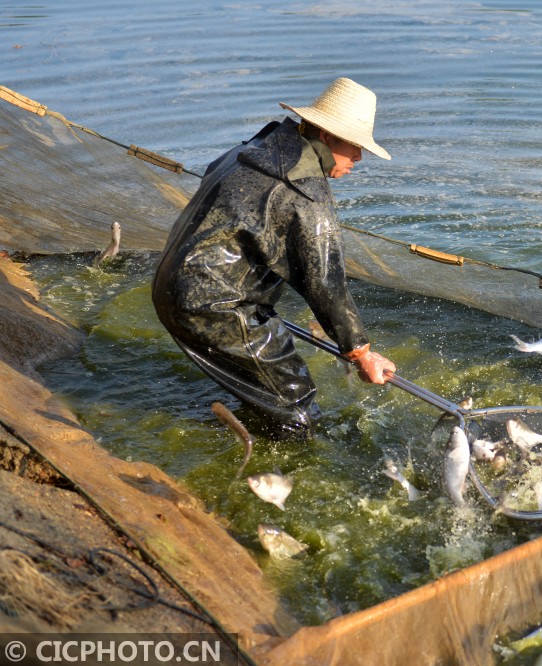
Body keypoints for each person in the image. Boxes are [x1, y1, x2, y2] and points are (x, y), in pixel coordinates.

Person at [152, 77, 396, 436]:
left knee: (266, 391)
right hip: (212, 304)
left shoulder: (256, 147)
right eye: (355, 146)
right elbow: (325, 284)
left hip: (170, 280)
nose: (359, 157)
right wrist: (360, 353)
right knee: (297, 409)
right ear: (326, 135)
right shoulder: (306, 195)